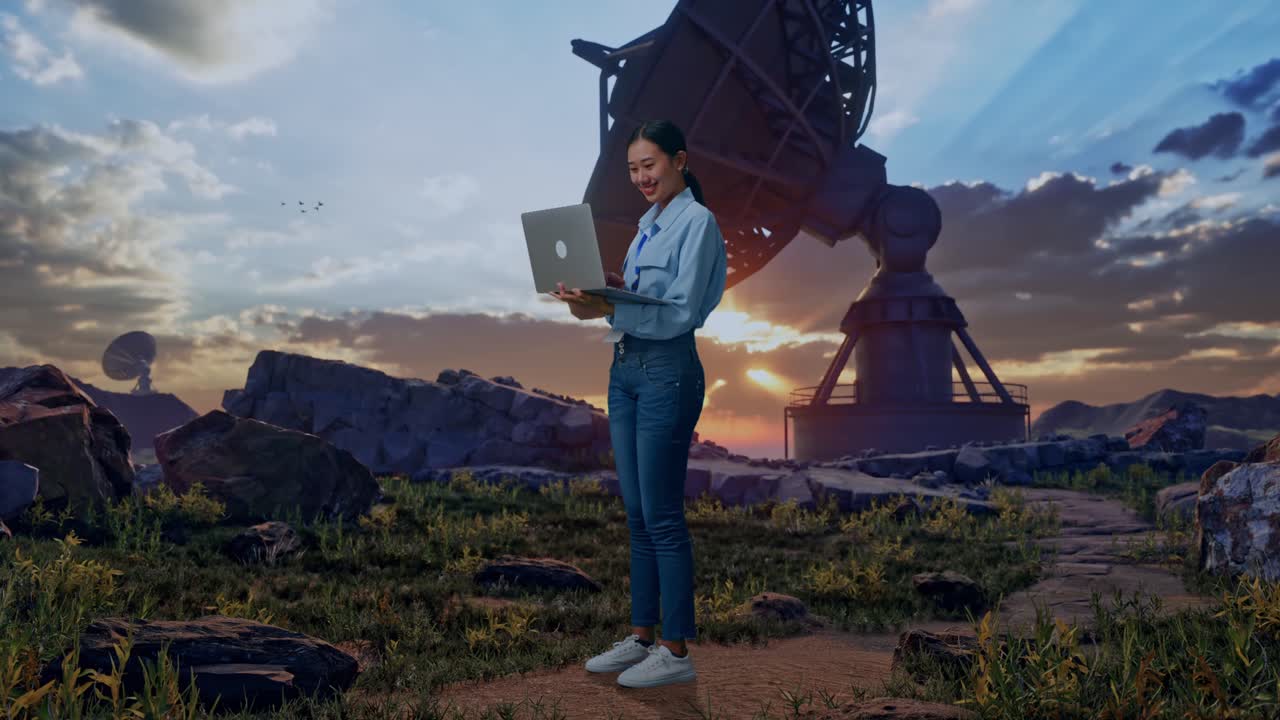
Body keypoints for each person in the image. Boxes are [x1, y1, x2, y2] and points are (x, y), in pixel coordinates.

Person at [549, 119, 727, 688]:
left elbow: (679, 311)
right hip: (625, 368)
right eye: (632, 168)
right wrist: (600, 291)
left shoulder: (698, 222)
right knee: (637, 516)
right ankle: (643, 636)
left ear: (679, 159)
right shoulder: (648, 225)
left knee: (663, 515)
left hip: (666, 371)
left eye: (650, 164)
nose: (641, 177)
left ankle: (676, 652)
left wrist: (614, 304)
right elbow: (642, 295)